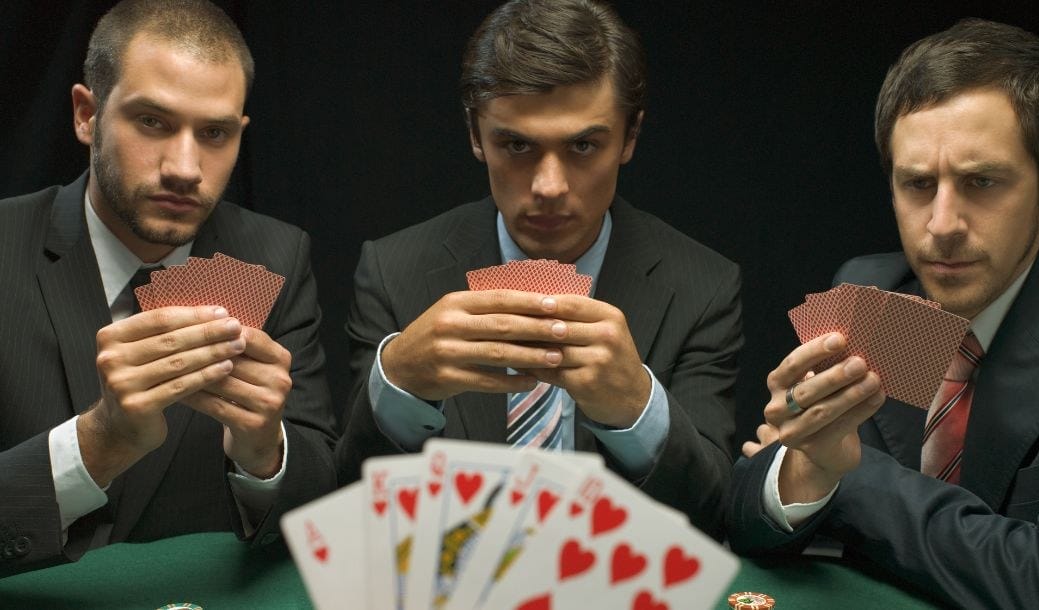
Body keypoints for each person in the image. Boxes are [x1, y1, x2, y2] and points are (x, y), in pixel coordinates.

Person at [335, 0, 742, 537]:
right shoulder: (394, 270)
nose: (549, 185)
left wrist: (638, 408)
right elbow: (352, 511)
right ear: (476, 136)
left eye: (583, 145)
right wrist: (400, 386)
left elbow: (713, 514)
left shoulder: (703, 287)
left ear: (631, 137)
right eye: (517, 144)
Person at [726, 18, 1039, 607]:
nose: (941, 225)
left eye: (982, 182)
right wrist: (805, 474)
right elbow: (745, 514)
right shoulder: (871, 290)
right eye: (918, 184)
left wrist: (849, 474)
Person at [0, 0, 336, 576]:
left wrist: (265, 454)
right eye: (152, 121)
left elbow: (317, 500)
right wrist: (97, 444)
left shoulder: (277, 256)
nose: (185, 166)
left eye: (214, 133)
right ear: (87, 114)